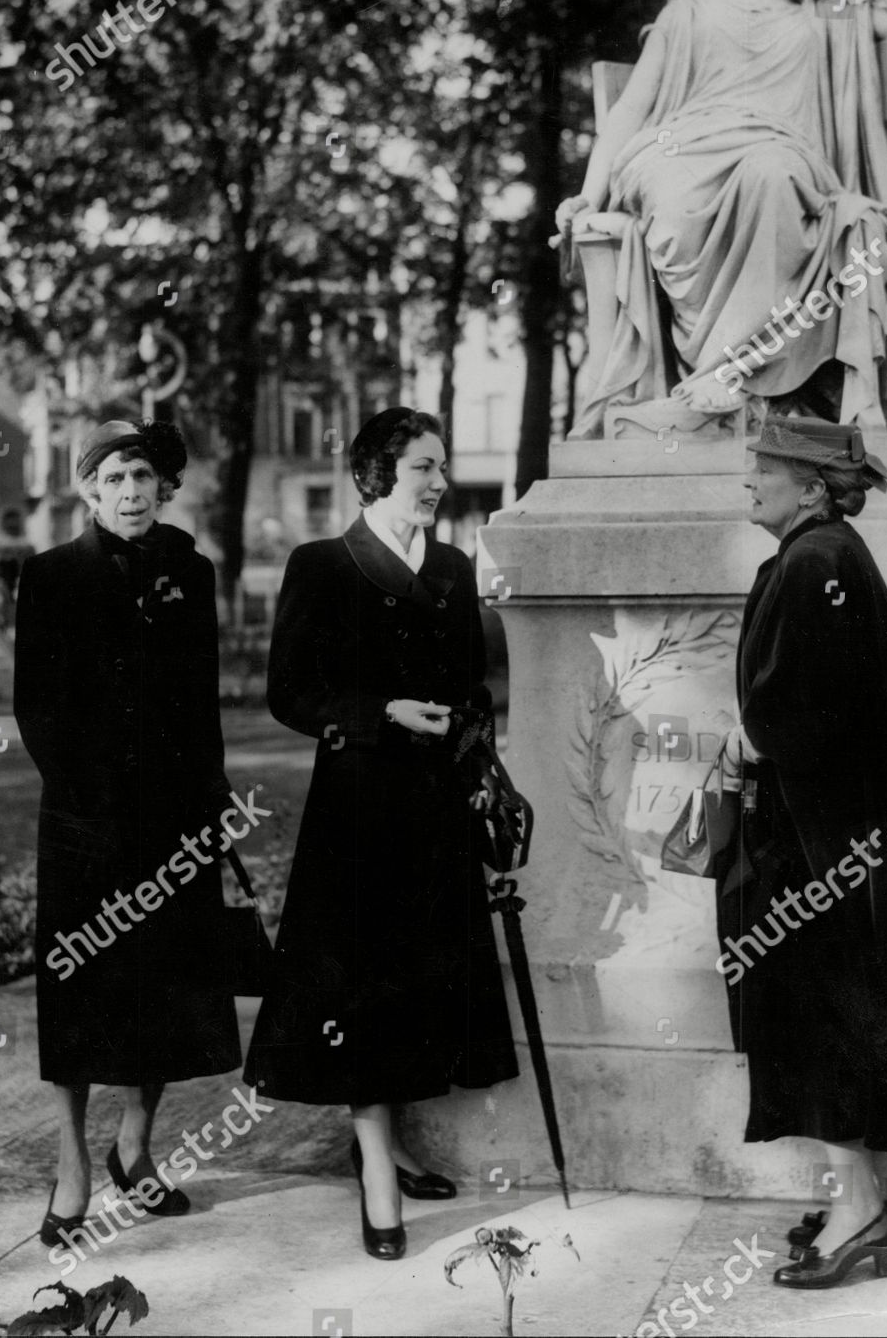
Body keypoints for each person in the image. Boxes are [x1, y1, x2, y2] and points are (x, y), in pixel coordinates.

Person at [243, 408, 518, 1260]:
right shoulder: (322, 566)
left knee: (417, 983)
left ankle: (391, 1145)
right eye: (422, 468)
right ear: (375, 474)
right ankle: (374, 1172)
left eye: (439, 468)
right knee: (361, 987)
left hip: (437, 811)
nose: (438, 482)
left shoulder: (452, 566)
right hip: (358, 811)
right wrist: (377, 713)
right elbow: (289, 694)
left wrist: (477, 764)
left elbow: (474, 691)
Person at [716, 414, 887, 1289]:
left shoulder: (815, 562)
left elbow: (805, 717)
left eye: (766, 467)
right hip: (843, 848)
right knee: (845, 1025)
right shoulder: (825, 555)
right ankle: (871, 1201)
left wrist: (748, 739)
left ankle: (859, 1212)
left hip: (818, 855)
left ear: (812, 486)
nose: (750, 478)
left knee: (827, 1027)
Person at [555, 0, 887, 438]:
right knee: (683, 197)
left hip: (782, 160)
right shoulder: (690, 12)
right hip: (682, 150)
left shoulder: (826, 17)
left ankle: (722, 379)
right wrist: (589, 195)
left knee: (770, 173)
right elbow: (633, 108)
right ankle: (717, 384)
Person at [15, 419, 241, 1250]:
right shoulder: (49, 576)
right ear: (88, 490)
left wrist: (211, 806)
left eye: (143, 476)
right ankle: (71, 1162)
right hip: (84, 823)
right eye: (113, 478)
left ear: (162, 486)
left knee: (165, 991)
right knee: (79, 995)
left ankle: (135, 1147)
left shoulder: (192, 571)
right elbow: (35, 708)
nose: (132, 492)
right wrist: (93, 803)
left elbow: (202, 700)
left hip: (174, 821)